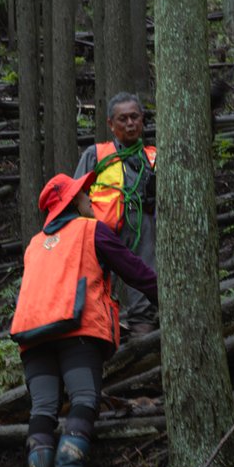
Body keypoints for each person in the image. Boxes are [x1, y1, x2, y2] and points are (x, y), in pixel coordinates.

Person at [9, 172, 159, 467]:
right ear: (72, 202)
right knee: (84, 398)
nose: (90, 197)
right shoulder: (92, 231)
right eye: (83, 194)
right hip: (77, 329)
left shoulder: (35, 245)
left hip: (32, 336)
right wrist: (166, 296)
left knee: (43, 408)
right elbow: (135, 270)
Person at [75, 93, 157, 335]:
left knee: (142, 275)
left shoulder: (153, 155)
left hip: (144, 227)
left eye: (135, 117)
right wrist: (91, 218)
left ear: (142, 119)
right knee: (97, 281)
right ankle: (97, 328)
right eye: (123, 119)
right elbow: (76, 192)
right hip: (103, 231)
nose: (130, 123)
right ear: (111, 124)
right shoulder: (96, 154)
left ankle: (142, 330)